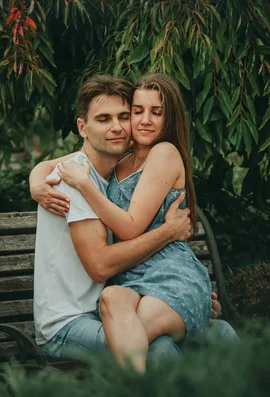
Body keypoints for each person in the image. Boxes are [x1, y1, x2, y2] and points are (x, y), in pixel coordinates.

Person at [31, 74, 238, 371]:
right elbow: (100, 265)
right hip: (69, 321)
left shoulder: (116, 164)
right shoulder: (73, 180)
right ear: (82, 128)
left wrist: (184, 297)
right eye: (103, 119)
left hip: (121, 301)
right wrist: (36, 182)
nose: (118, 126)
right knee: (158, 347)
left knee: (219, 332)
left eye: (123, 116)